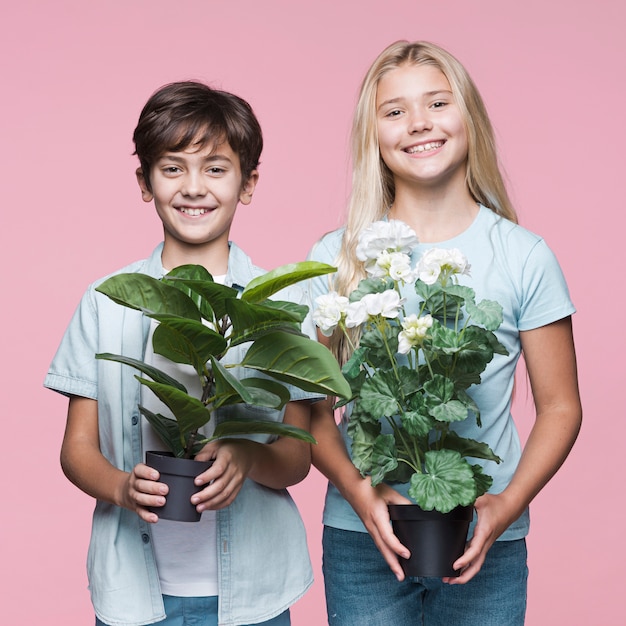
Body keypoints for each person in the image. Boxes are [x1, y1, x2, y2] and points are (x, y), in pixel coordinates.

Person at [307, 40, 582, 625]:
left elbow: (560, 406)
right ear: (373, 135)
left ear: (470, 119)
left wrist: (507, 505)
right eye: (395, 111)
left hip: (486, 533)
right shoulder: (339, 257)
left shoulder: (523, 256)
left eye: (438, 102)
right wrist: (360, 493)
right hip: (362, 540)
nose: (419, 124)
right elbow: (309, 411)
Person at [45, 81, 317, 626]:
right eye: (173, 168)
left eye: (216, 168)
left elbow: (297, 460)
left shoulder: (285, 305)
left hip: (255, 594)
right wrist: (121, 486)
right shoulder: (109, 300)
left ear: (248, 182)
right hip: (134, 593)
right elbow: (76, 449)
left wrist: (246, 456)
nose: (194, 187)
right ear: (145, 182)